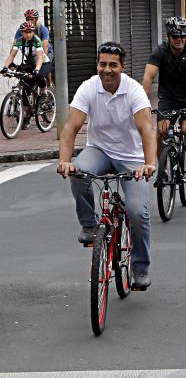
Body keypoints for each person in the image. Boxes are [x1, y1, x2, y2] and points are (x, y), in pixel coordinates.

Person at [57, 42, 157, 289]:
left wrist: (149, 164)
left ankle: (140, 268)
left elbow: (147, 130)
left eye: (113, 65)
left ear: (122, 67)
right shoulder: (89, 87)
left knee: (136, 211)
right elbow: (70, 128)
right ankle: (89, 225)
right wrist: (64, 161)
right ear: (97, 65)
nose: (107, 70)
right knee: (78, 172)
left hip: (132, 158)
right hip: (99, 151)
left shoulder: (134, 91)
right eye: (102, 64)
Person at [141, 17, 186, 182]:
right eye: (176, 36)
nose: (180, 40)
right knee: (162, 130)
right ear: (168, 36)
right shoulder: (160, 52)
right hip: (168, 98)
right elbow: (148, 77)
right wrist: (142, 102)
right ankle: (162, 170)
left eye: (183, 36)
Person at [3, 22, 51, 94]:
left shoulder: (36, 40)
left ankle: (44, 93)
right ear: (22, 32)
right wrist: (5, 67)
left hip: (44, 63)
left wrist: (37, 69)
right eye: (26, 32)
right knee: (26, 87)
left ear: (33, 32)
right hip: (31, 64)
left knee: (39, 76)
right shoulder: (19, 41)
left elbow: (40, 57)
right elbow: (11, 55)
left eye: (30, 32)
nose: (28, 35)